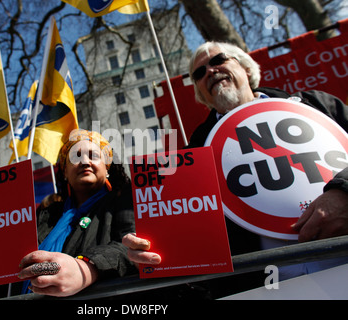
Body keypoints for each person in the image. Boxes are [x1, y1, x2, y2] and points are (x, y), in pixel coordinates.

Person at [123, 41, 348, 294]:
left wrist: (344, 192)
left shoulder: (316, 106)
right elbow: (186, 245)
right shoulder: (192, 155)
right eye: (199, 73)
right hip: (260, 290)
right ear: (200, 93)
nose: (210, 71)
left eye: (219, 60)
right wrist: (151, 248)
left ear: (247, 69)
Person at [18, 129, 137, 297]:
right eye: (76, 157)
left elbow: (132, 245)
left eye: (93, 156)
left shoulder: (125, 201)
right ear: (65, 171)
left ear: (107, 167)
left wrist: (86, 268)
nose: (85, 162)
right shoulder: (46, 215)